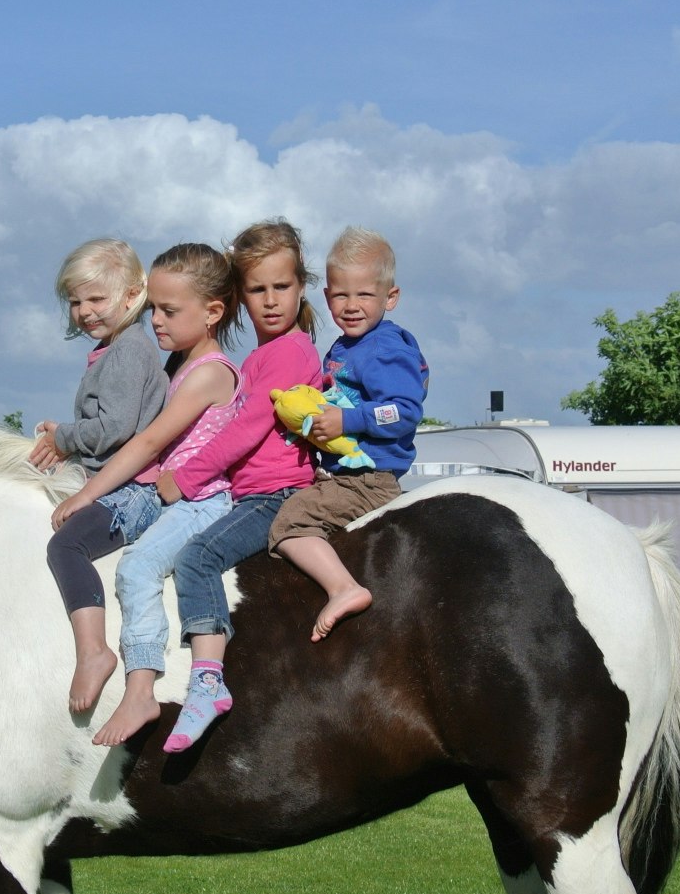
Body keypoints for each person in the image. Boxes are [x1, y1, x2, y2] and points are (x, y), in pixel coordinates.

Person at [48, 242, 241, 745]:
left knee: (133, 566)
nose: (154, 320)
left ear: (213, 312)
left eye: (167, 310)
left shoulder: (209, 372)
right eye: (153, 307)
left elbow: (146, 439)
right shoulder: (178, 365)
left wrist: (87, 492)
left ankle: (137, 685)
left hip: (194, 498)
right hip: (171, 490)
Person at [160, 219, 324, 753]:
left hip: (273, 494)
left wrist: (185, 478)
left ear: (301, 286)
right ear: (241, 296)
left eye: (282, 287)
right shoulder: (260, 356)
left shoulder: (292, 352)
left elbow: (248, 427)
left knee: (196, 558)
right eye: (258, 289)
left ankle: (207, 681)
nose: (271, 301)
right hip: (248, 491)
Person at [268, 227, 429, 641]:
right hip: (345, 473)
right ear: (327, 299)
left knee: (290, 523)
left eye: (364, 295)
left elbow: (406, 410)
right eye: (341, 296)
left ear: (390, 298)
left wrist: (349, 421)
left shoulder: (385, 349)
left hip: (368, 480)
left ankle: (343, 588)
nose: (352, 306)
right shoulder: (343, 348)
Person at [35, 238, 170, 711]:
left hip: (133, 491)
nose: (84, 311)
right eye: (75, 301)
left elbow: (116, 429)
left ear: (133, 296)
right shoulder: (113, 348)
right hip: (117, 481)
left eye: (96, 299)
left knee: (66, 544)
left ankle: (93, 652)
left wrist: (65, 436)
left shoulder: (129, 350)